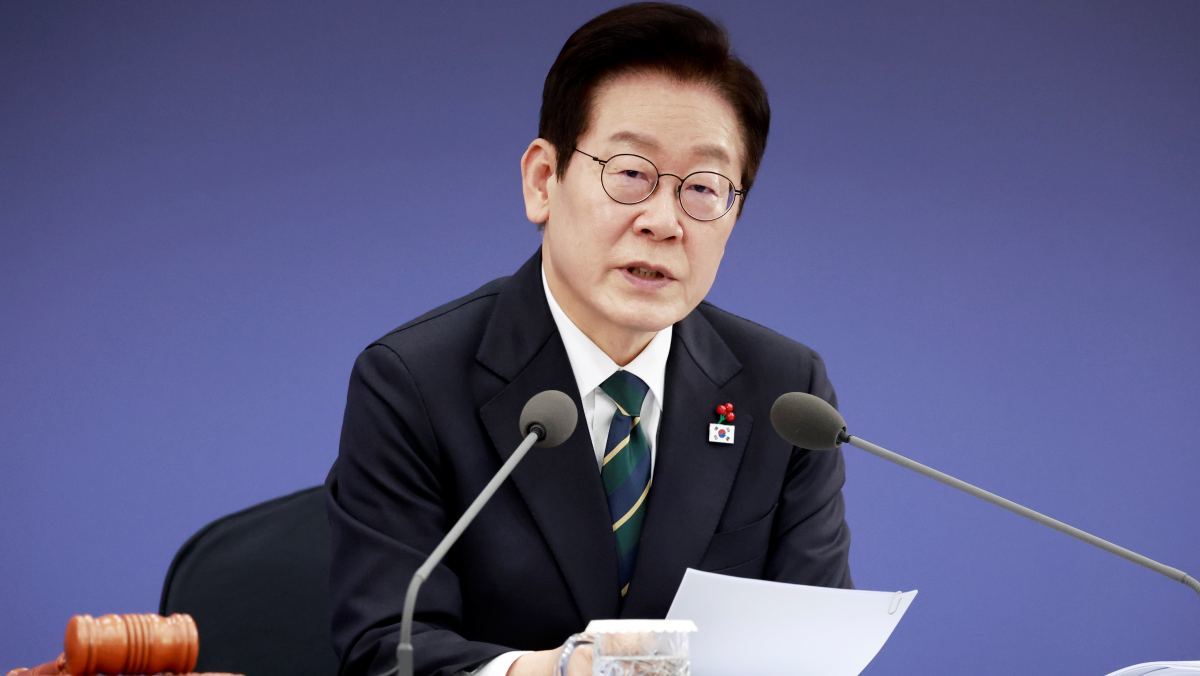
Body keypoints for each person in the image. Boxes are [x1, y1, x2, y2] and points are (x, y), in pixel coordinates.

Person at [325, 3, 853, 675]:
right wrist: (563, 671)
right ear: (543, 181)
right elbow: (385, 649)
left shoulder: (786, 394)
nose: (664, 221)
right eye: (630, 174)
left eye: (703, 188)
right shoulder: (414, 382)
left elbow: (812, 642)